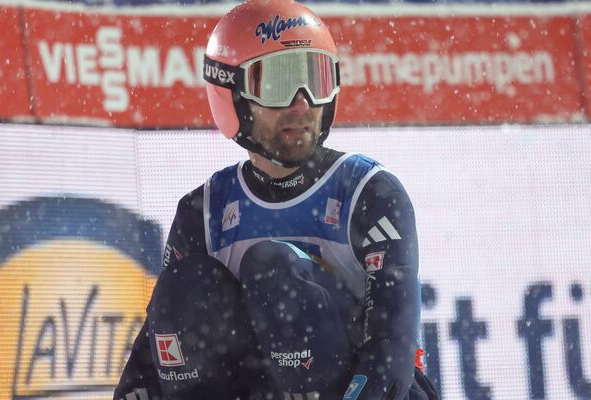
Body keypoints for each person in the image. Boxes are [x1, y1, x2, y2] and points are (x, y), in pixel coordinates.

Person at [114, 0, 439, 399]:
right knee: (184, 290)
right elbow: (147, 367)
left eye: (315, 80)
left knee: (272, 269)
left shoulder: (370, 193)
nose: (302, 104)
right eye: (277, 83)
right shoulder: (203, 212)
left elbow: (392, 355)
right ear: (230, 94)